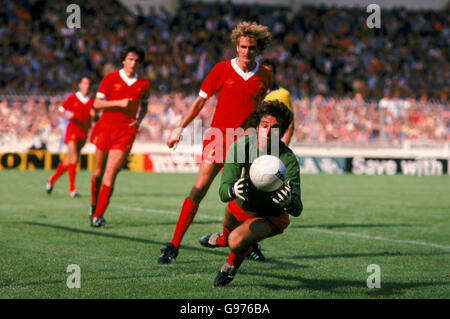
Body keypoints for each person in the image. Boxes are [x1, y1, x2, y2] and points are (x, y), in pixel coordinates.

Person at [158, 21, 273, 264]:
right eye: (242, 47)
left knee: (245, 199)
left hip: (245, 144)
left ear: (258, 48)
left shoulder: (265, 75)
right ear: (237, 45)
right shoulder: (220, 69)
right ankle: (173, 245)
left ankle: (246, 243)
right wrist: (179, 129)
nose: (246, 52)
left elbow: (263, 112)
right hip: (217, 139)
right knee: (198, 191)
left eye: (251, 48)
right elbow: (199, 103)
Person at [199, 99, 303, 286]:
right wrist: (233, 189)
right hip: (239, 207)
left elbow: (297, 208)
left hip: (269, 216)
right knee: (230, 233)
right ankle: (223, 239)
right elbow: (223, 193)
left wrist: (288, 200)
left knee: (237, 241)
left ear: (282, 130)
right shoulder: (240, 147)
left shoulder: (287, 158)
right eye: (265, 125)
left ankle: (231, 265)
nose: (269, 132)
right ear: (257, 126)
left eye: (275, 127)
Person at [89, 46, 149, 227]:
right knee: (97, 173)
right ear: (123, 61)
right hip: (105, 128)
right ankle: (94, 205)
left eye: (136, 60)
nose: (133, 63)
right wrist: (119, 102)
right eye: (130, 59)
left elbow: (144, 106)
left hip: (125, 132)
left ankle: (97, 216)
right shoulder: (110, 78)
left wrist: (138, 120)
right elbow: (97, 103)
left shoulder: (143, 84)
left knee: (111, 173)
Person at [46, 77, 95, 197]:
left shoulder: (91, 100)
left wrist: (94, 115)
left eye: (88, 84)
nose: (86, 86)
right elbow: (60, 110)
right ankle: (72, 189)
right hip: (72, 130)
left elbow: (95, 115)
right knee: (73, 158)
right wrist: (67, 116)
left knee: (71, 159)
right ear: (80, 85)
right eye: (84, 83)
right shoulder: (73, 98)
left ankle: (52, 179)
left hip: (83, 131)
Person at [261, 58, 295, 146]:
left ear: (275, 74)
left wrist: (284, 145)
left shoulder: (283, 94)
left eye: (270, 72)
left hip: (273, 143)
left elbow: (290, 123)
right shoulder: (251, 92)